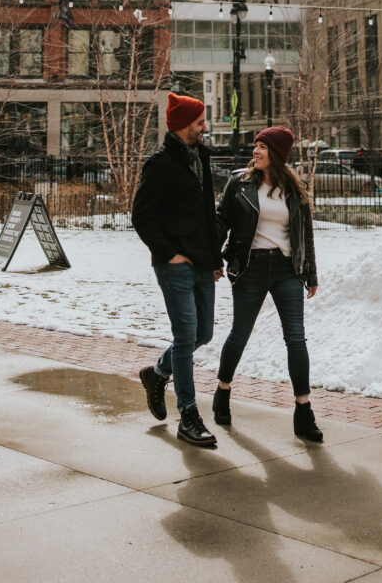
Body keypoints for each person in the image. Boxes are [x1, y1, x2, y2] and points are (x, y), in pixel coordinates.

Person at [213, 126, 323, 443]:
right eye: (255, 145)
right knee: (240, 333)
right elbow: (222, 221)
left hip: (288, 269)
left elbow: (306, 234)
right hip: (251, 267)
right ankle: (223, 390)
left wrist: (310, 273)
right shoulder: (241, 183)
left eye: (262, 147)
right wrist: (212, 260)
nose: (255, 151)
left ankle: (303, 410)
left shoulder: (294, 188)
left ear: (276, 154)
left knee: (296, 338)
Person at [132, 92, 223, 448]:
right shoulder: (160, 166)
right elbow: (141, 217)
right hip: (175, 266)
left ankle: (156, 374)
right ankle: (188, 415)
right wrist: (168, 254)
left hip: (201, 261)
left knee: (203, 334)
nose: (205, 127)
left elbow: (206, 213)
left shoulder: (200, 156)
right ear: (185, 125)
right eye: (200, 122)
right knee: (186, 337)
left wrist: (215, 260)